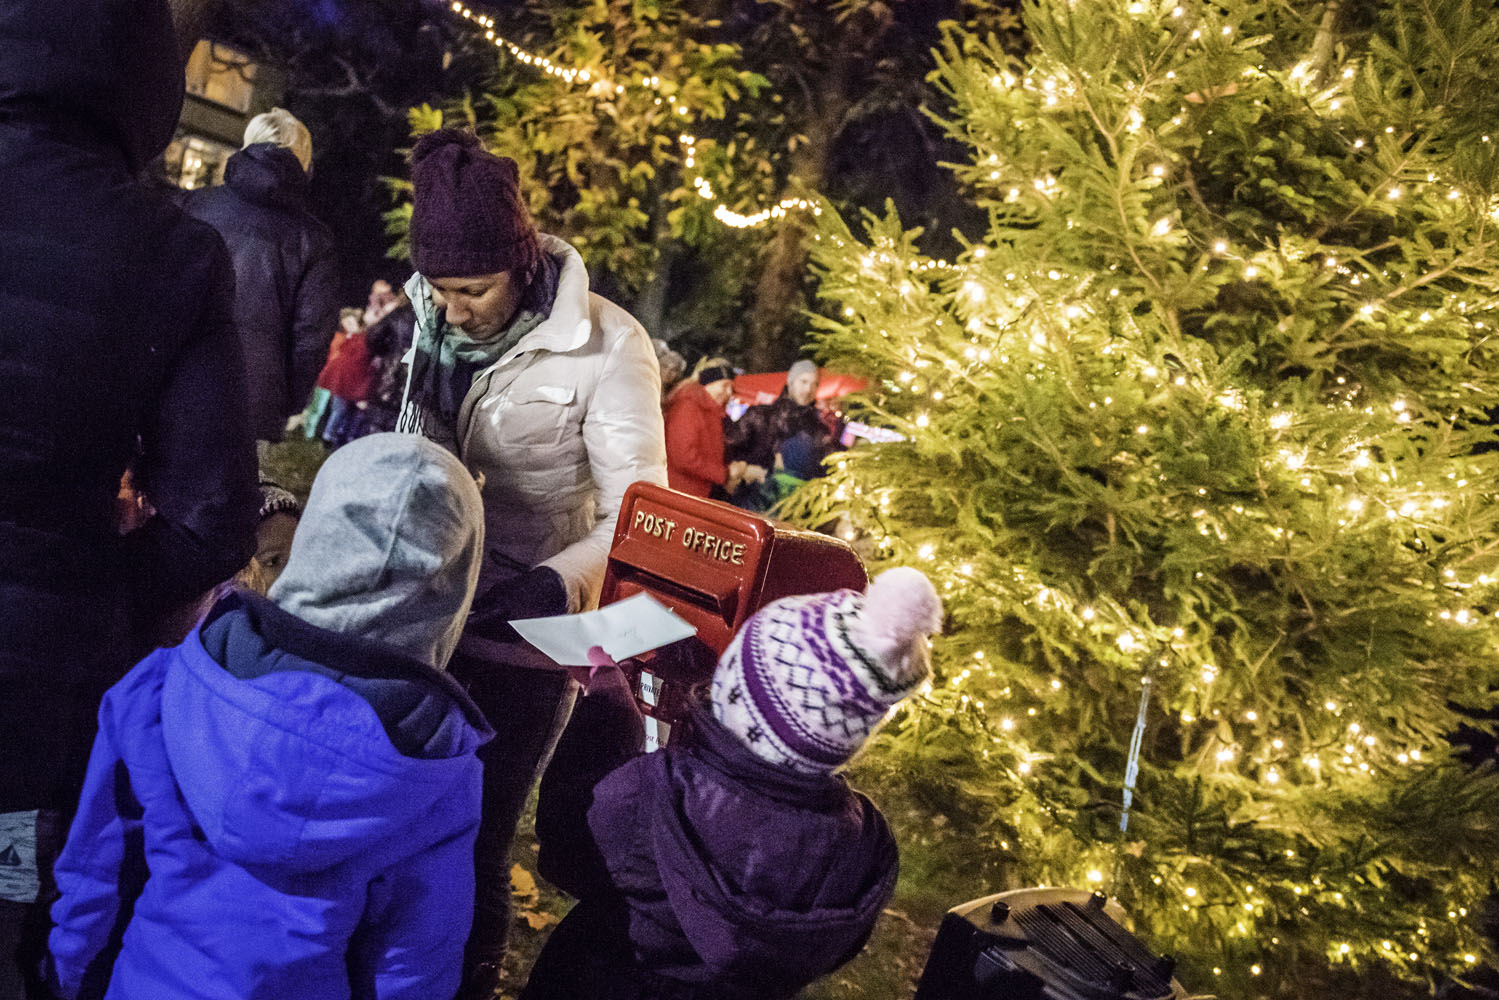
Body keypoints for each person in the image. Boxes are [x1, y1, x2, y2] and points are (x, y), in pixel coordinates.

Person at [0, 2, 259, 995]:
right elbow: (212, 516)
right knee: (10, 904)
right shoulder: (172, 251)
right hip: (32, 702)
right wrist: (93, 591)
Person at [46, 434, 494, 1000]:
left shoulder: (165, 685)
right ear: (452, 587)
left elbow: (95, 878)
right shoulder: (436, 768)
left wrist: (65, 980)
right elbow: (411, 969)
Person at [395, 128, 667, 996]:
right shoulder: (436, 326)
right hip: (433, 597)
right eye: (439, 289)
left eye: (471, 289)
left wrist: (552, 584)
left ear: (518, 267)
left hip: (533, 623)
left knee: (480, 825)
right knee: (408, 809)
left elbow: (640, 514)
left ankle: (471, 978)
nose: (454, 308)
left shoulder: (609, 346)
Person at [524, 568, 943, 1000]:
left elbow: (565, 851)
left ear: (734, 691)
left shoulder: (652, 796)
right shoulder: (863, 847)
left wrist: (606, 711)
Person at [182, 107, 340, 443]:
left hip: (174, 381)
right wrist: (289, 400)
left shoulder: (193, 206)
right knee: (233, 495)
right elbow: (311, 337)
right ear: (305, 163)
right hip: (254, 404)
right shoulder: (313, 241)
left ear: (247, 145)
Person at [724, 360, 835, 506]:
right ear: (791, 382)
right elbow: (727, 450)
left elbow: (823, 473)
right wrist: (743, 470)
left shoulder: (818, 432)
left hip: (788, 511)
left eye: (814, 384)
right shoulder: (760, 415)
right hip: (744, 503)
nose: (809, 389)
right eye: (803, 381)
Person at [663, 359, 757, 500]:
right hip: (681, 492)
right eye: (725, 386)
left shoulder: (710, 411)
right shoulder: (688, 407)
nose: (729, 393)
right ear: (709, 382)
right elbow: (684, 456)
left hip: (694, 493)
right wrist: (724, 473)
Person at [315, 308, 377, 448]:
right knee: (339, 410)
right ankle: (328, 436)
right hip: (344, 383)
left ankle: (330, 436)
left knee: (342, 412)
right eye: (345, 323)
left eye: (350, 322)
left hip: (351, 384)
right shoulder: (354, 338)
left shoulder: (363, 339)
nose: (347, 326)